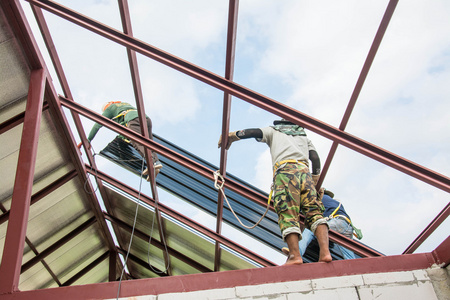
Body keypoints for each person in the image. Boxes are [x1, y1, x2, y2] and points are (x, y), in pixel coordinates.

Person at [218, 119, 332, 265]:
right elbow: (315, 159)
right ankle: (325, 253)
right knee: (315, 213)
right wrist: (314, 179)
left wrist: (232, 135)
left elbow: (253, 132)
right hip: (305, 173)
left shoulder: (274, 130)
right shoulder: (303, 137)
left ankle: (295, 256)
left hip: (285, 173)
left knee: (288, 213)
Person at [81, 101, 162, 177]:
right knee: (149, 143)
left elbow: (98, 124)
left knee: (137, 143)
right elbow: (123, 124)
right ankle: (155, 163)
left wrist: (88, 139)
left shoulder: (110, 108)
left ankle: (152, 162)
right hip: (147, 120)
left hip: (133, 120)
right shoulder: (124, 105)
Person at [284, 189, 357, 260]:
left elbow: (305, 213)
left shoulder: (319, 199)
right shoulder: (333, 202)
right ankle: (355, 268)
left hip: (336, 222)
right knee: (348, 254)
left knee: (312, 228)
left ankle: (296, 253)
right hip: (347, 227)